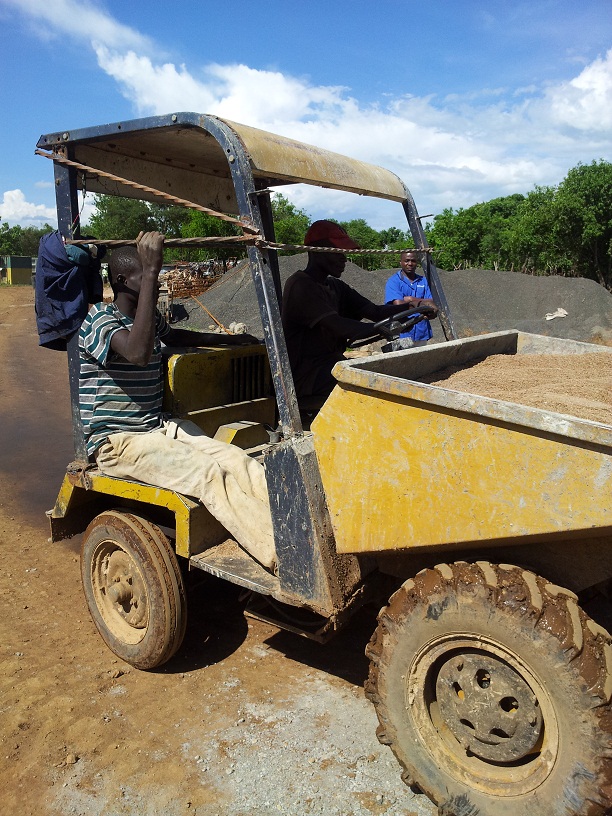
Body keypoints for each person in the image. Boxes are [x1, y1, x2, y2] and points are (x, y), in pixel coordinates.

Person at [78, 231, 276, 571]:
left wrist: (228, 340)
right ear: (123, 281)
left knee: (235, 459)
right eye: (149, 274)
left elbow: (177, 336)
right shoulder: (99, 318)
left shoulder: (148, 320)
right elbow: (139, 353)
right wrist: (152, 268)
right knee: (207, 474)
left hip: (158, 428)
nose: (159, 279)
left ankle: (294, 527)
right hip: (117, 440)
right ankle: (280, 554)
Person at [281, 220, 436, 400]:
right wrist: (384, 328)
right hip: (306, 377)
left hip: (331, 365)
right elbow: (340, 327)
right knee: (376, 389)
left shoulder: (335, 286)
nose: (344, 258)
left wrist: (413, 307)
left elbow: (375, 312)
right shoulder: (301, 285)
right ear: (317, 251)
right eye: (337, 252)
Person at [384, 250, 437, 350]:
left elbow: (430, 303)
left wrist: (410, 299)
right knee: (401, 361)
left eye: (413, 261)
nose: (410, 264)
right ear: (401, 262)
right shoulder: (393, 281)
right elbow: (398, 304)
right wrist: (421, 302)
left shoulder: (423, 281)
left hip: (421, 332)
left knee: (419, 360)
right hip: (401, 332)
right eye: (406, 261)